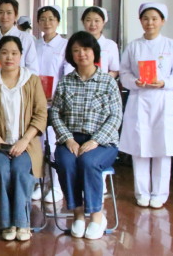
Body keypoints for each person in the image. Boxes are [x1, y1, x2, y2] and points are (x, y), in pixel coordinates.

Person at [50, 31, 122, 239]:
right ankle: (78, 214)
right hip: (70, 139)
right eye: (76, 50)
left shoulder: (107, 82)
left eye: (86, 49)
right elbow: (55, 113)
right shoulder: (65, 82)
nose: (81, 54)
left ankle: (97, 216)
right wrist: (68, 139)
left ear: (94, 52)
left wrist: (96, 140)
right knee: (66, 162)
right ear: (71, 55)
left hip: (102, 142)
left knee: (88, 162)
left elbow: (116, 116)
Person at [119, 3, 173, 209]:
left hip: (163, 100)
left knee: (162, 149)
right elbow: (124, 73)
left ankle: (159, 193)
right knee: (140, 149)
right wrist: (135, 82)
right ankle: (142, 192)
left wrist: (165, 82)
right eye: (146, 18)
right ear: (140, 21)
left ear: (162, 21)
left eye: (154, 18)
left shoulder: (171, 46)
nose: (150, 22)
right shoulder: (133, 46)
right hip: (140, 100)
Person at [0, 36, 47, 241]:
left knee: (19, 170)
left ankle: (22, 223)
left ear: (21, 55)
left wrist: (24, 141)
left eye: (14, 53)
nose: (9, 57)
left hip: (27, 144)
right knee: (1, 170)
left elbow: (41, 114)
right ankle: (8, 223)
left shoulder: (32, 81)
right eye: (5, 52)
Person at [33, 5, 73, 203]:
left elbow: (68, 74)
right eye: (42, 19)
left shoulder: (65, 45)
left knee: (55, 145)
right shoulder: (35, 44)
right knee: (38, 145)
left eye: (51, 19)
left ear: (58, 21)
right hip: (36, 103)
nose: (46, 23)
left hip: (56, 103)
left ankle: (57, 186)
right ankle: (41, 183)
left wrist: (57, 95)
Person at [0, 0, 39, 75]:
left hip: (20, 81)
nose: (4, 16)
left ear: (16, 15)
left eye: (9, 13)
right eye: (1, 12)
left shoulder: (26, 39)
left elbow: (33, 69)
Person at [81, 6, 119, 78]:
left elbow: (114, 70)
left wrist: (103, 80)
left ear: (103, 22)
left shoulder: (110, 45)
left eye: (97, 21)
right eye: (88, 20)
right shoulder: (77, 44)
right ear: (83, 22)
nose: (92, 24)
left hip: (103, 83)